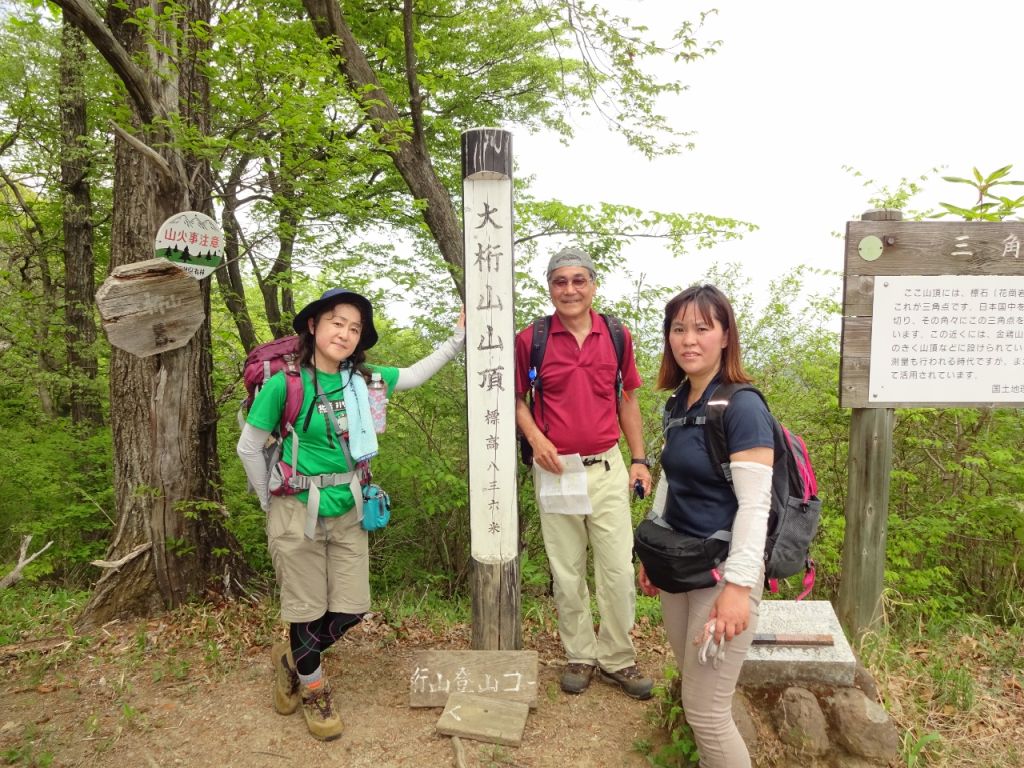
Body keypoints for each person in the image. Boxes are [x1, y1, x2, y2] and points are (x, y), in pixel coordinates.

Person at [237, 288, 465, 741]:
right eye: (337, 322)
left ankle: (294, 660)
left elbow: (417, 375)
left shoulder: (361, 379)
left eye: (354, 327)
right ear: (313, 326)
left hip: (349, 507)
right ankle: (314, 687)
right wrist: (269, 501)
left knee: (351, 609)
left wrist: (457, 339)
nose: (344, 332)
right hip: (296, 508)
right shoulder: (287, 382)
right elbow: (249, 447)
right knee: (306, 609)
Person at [638, 284, 774, 768]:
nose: (688, 339)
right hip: (680, 567)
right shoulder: (678, 403)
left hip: (722, 578)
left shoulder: (743, 407)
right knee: (695, 693)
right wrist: (652, 553)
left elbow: (755, 508)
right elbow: (671, 482)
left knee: (707, 712)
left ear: (724, 336)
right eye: (678, 328)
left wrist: (739, 587)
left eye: (702, 328)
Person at [514, 246, 654, 700]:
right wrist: (536, 440)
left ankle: (618, 656)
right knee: (566, 568)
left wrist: (639, 458)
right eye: (560, 281)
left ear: (593, 285)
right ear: (550, 287)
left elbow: (627, 397)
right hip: (556, 470)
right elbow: (516, 399)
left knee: (616, 566)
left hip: (607, 465)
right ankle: (579, 653)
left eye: (579, 280)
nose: (570, 289)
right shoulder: (530, 339)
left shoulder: (615, 334)